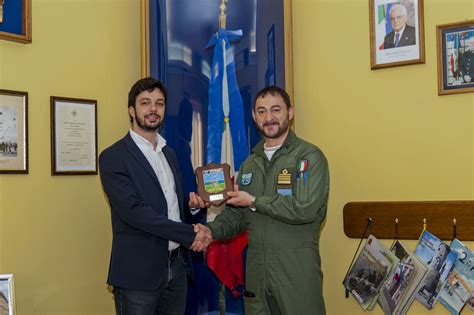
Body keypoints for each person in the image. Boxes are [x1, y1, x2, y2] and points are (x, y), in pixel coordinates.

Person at [194, 86, 330, 314]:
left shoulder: (308, 157)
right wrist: (211, 231)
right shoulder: (249, 164)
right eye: (261, 111)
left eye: (276, 110)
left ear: (290, 112)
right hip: (257, 273)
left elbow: (304, 209)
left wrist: (255, 201)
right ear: (254, 117)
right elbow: (238, 216)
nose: (269, 118)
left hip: (296, 273)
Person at [99, 77, 208, 315]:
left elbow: (170, 206)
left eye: (159, 103)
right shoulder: (113, 157)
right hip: (138, 274)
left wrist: (190, 207)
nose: (153, 109)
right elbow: (134, 213)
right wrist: (189, 233)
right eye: (145, 103)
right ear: (131, 110)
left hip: (177, 267)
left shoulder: (169, 153)